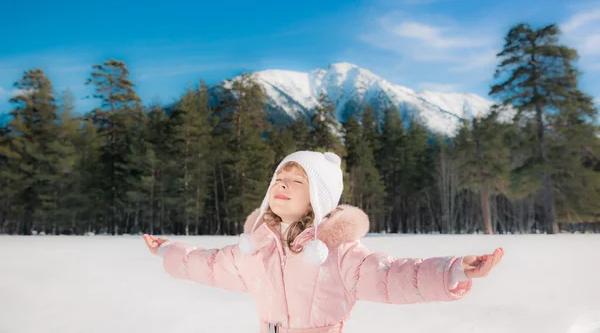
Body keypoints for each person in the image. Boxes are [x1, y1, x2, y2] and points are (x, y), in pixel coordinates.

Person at [143, 150, 504, 333]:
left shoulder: (337, 252)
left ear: (320, 198)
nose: (282, 185)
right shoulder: (256, 248)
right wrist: (168, 249)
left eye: (296, 182)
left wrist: (455, 270)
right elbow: (209, 264)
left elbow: (394, 275)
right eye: (278, 179)